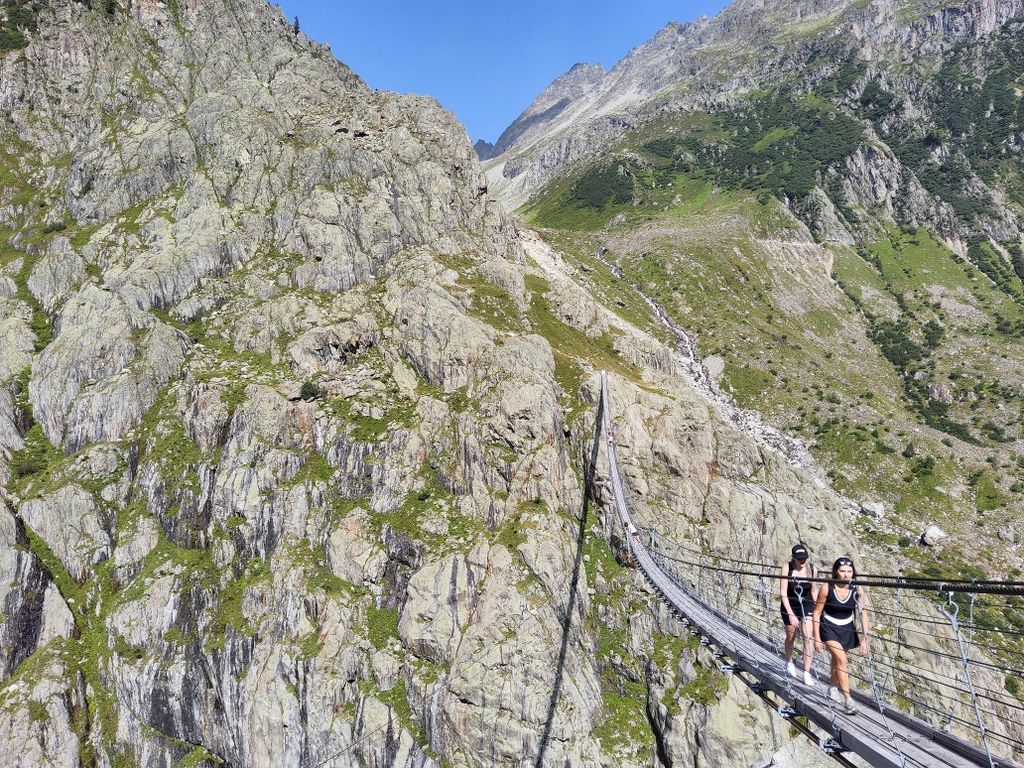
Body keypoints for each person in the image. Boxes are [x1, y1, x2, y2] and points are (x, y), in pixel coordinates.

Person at [814, 556, 870, 715]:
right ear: (836, 572)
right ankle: (848, 700)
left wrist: (865, 639)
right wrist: (817, 638)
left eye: (849, 571)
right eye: (842, 571)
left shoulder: (857, 588)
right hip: (828, 627)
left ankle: (832, 687)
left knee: (837, 661)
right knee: (842, 660)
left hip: (847, 628)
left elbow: (863, 613)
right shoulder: (827, 588)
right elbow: (817, 613)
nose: (846, 575)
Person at [779, 543, 818, 687]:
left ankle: (806, 672)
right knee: (791, 636)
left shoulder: (812, 570)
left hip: (806, 603)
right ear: (794, 558)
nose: (802, 561)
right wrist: (790, 614)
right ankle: (789, 661)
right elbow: (783, 592)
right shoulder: (787, 568)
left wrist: (818, 609)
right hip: (790, 603)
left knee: (808, 637)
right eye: (799, 558)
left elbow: (813, 590)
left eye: (804, 558)